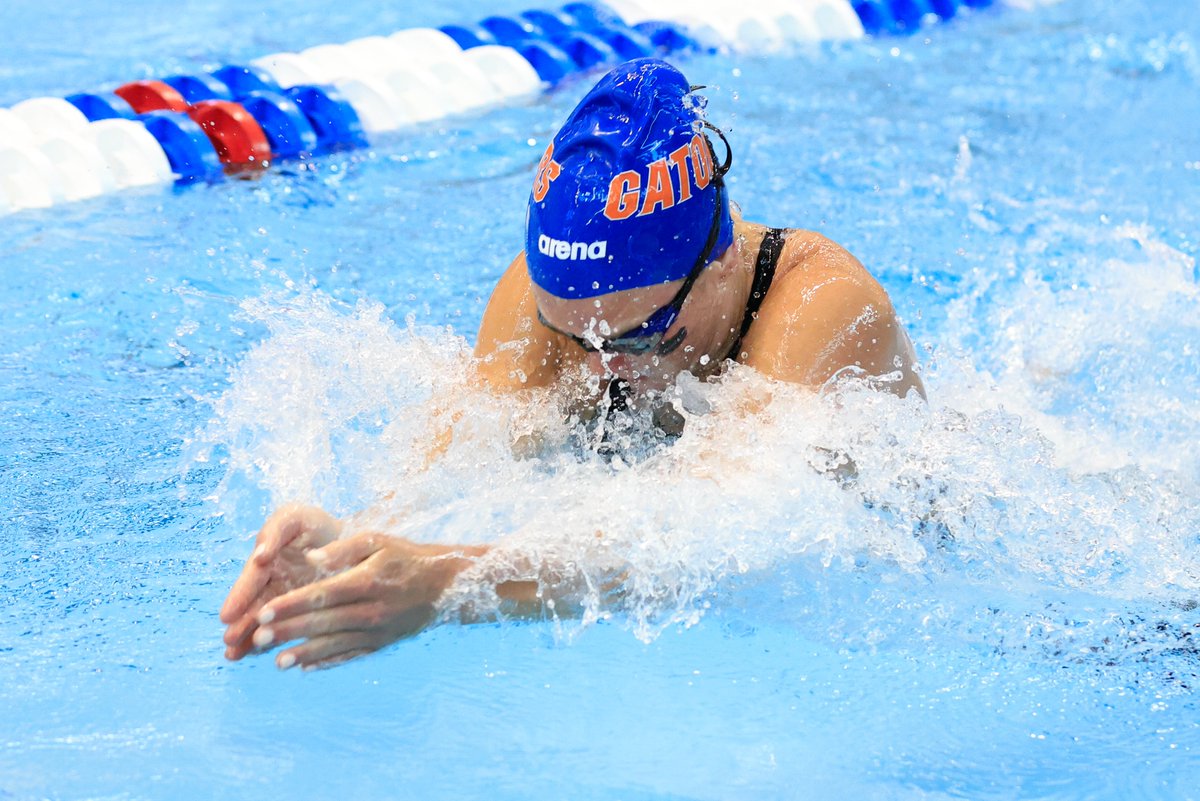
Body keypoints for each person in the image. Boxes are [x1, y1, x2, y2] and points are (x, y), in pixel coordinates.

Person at [219, 58, 925, 671]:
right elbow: (459, 453)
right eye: (572, 336)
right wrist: (352, 548)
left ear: (721, 258)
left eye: (639, 338)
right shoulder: (561, 305)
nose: (598, 368)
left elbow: (705, 541)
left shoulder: (819, 312)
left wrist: (448, 586)